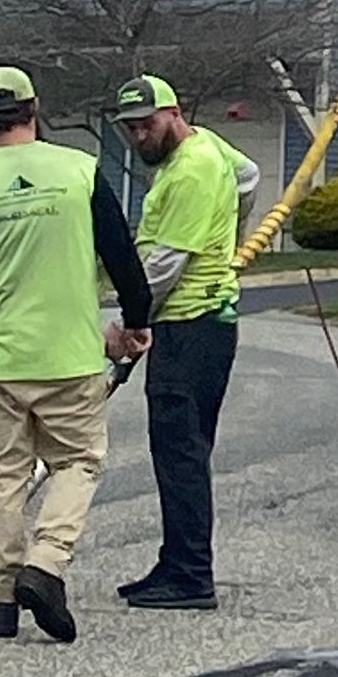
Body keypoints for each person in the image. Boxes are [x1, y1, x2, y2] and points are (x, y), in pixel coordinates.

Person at [0, 67, 153, 645]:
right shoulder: (78, 172)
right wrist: (136, 318)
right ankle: (46, 564)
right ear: (35, 109)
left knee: (3, 478)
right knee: (78, 462)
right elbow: (120, 252)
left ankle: (0, 600)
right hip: (70, 356)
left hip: (1, 361)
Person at [109, 76, 259, 612]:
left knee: (180, 454)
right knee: (184, 451)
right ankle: (176, 563)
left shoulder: (191, 169)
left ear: (173, 112)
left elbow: (166, 265)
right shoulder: (209, 147)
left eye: (146, 123)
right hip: (205, 326)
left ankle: (191, 574)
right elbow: (249, 177)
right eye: (129, 127)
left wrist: (127, 324)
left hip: (188, 325)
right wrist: (228, 236)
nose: (138, 135)